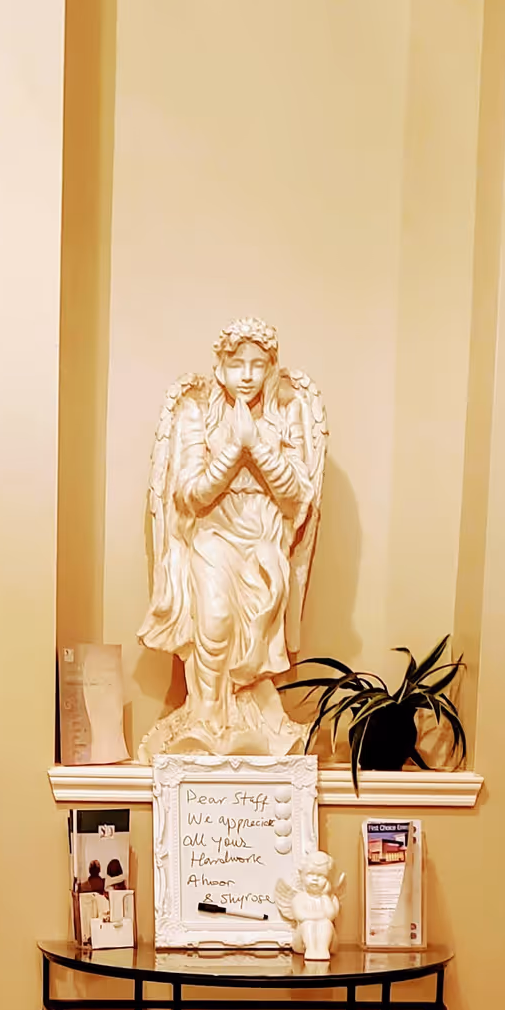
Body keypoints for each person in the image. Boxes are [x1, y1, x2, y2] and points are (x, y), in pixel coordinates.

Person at [138, 318, 326, 757]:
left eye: (257, 365)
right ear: (220, 366)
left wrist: (256, 443)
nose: (247, 374)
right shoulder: (193, 412)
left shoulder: (287, 412)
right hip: (213, 534)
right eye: (236, 363)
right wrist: (233, 449)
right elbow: (191, 493)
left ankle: (250, 713)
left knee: (257, 635)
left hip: (263, 538)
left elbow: (299, 492)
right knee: (216, 620)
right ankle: (207, 717)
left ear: (270, 367)